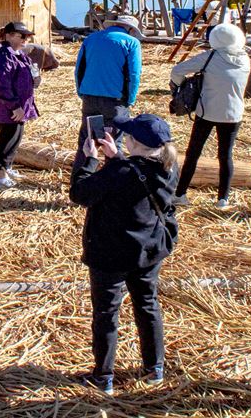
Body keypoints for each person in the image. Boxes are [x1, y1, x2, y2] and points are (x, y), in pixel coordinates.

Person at [70, 112, 179, 395]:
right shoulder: (169, 168)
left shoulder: (121, 172)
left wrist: (90, 160)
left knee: (106, 313)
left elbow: (80, 193)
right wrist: (116, 158)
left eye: (127, 136)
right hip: (148, 251)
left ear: (134, 143)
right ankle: (154, 368)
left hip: (110, 255)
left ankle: (103, 376)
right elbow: (133, 180)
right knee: (148, 305)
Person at [169, 23, 250, 207]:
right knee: (225, 156)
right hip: (233, 113)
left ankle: (181, 194)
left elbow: (177, 71)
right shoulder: (245, 59)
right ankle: (223, 199)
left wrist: (182, 86)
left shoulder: (211, 57)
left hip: (207, 111)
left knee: (193, 153)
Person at [73, 15, 144, 172]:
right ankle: (112, 184)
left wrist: (81, 92)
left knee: (88, 141)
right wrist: (130, 99)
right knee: (112, 143)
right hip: (115, 101)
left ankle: (78, 184)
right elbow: (134, 74)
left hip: (90, 98)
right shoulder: (132, 43)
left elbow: (79, 69)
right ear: (130, 29)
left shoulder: (90, 39)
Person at [0, 21, 41, 191]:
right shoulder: (4, 56)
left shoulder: (19, 55)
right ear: (9, 35)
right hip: (9, 109)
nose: (25, 40)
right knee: (7, 141)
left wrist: (36, 78)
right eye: (21, 36)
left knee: (15, 138)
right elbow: (1, 85)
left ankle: (8, 168)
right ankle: (1, 178)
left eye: (26, 37)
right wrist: (14, 107)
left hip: (19, 107)